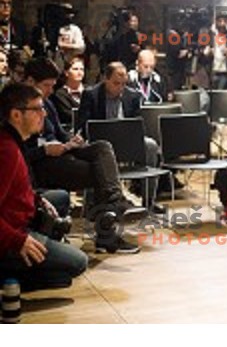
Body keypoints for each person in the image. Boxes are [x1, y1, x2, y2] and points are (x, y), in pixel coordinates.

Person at [22, 58, 143, 254]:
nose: (50, 91)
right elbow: (17, 153)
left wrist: (73, 140)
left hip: (59, 151)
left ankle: (115, 204)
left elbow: (60, 133)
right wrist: (44, 151)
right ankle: (111, 222)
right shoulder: (19, 109)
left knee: (102, 147)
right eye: (46, 86)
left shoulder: (46, 104)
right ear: (29, 81)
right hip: (42, 161)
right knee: (100, 172)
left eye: (53, 86)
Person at [0, 83, 88, 291]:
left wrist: (38, 198)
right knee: (77, 263)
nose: (44, 113)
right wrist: (18, 240)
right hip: (13, 231)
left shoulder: (13, 141)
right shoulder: (6, 151)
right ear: (16, 115)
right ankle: (9, 271)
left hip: (18, 217)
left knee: (59, 197)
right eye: (37, 109)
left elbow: (17, 188)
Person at [78, 62, 166, 214]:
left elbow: (137, 126)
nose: (120, 88)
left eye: (123, 84)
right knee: (94, 150)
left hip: (126, 142)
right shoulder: (91, 95)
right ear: (106, 79)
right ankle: (98, 202)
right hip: (101, 144)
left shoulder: (132, 96)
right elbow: (84, 125)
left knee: (151, 145)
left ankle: (149, 200)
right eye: (116, 83)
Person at [51, 56, 86, 127]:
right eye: (75, 69)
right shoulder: (59, 94)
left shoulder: (90, 91)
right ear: (66, 72)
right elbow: (69, 115)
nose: (79, 72)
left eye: (82, 69)